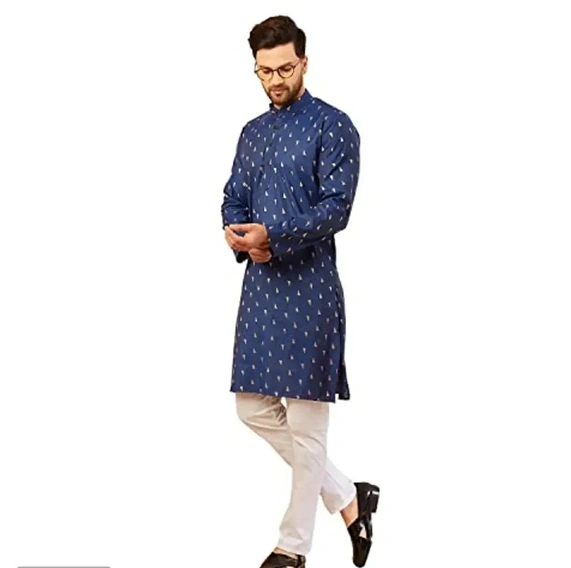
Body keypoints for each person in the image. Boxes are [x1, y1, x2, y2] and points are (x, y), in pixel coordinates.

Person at [221, 15, 379, 568]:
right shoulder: (252, 133)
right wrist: (237, 233)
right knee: (251, 407)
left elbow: (337, 208)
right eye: (265, 71)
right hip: (262, 288)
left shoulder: (333, 126)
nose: (276, 80)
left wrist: (276, 236)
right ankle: (349, 497)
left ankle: (292, 547)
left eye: (285, 68)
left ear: (304, 63)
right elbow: (234, 196)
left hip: (310, 288)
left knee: (309, 428)